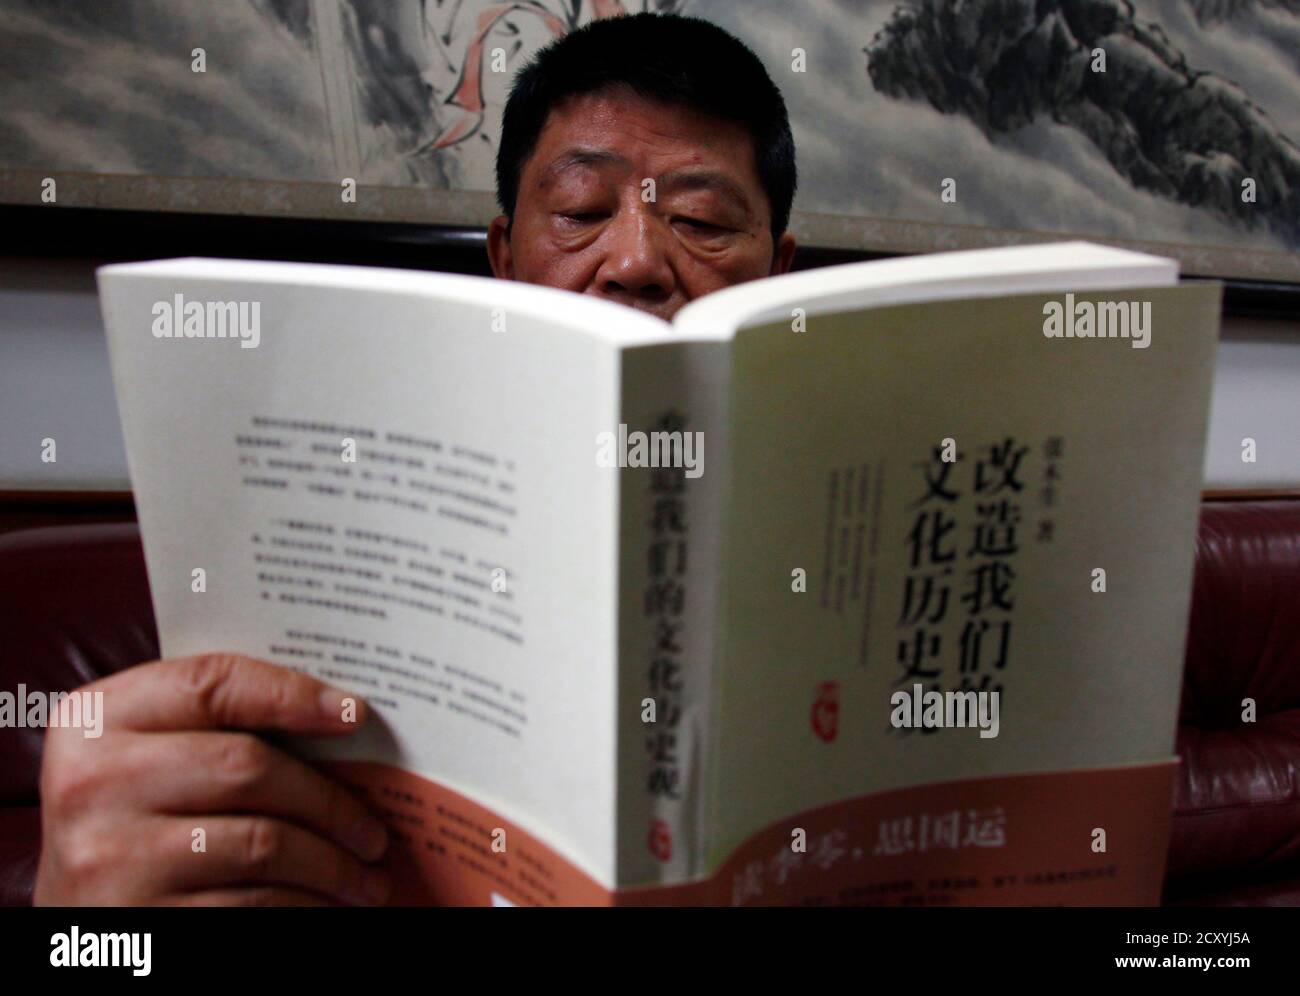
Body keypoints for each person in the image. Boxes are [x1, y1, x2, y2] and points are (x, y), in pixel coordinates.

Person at [34, 11, 798, 906]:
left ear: (778, 272)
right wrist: (76, 924)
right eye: (583, 212)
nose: (634, 260)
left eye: (702, 220)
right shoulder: (270, 563)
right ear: (504, 259)